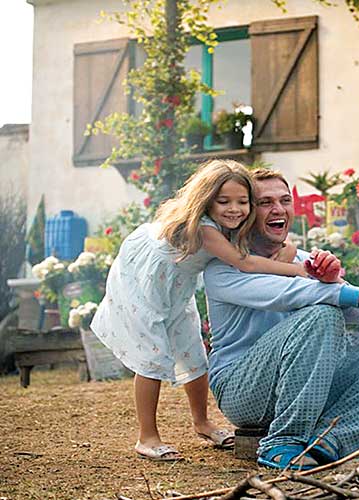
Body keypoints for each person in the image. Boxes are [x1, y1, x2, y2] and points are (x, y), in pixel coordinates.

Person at [92, 160, 335, 462]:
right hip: (148, 283)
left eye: (242, 202)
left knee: (193, 352)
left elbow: (261, 257)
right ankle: (147, 436)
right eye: (224, 202)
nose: (234, 209)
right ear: (206, 200)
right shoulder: (206, 228)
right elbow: (246, 263)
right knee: (151, 356)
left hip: (176, 286)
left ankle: (202, 423)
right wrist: (297, 269)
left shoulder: (230, 226)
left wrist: (287, 255)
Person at [202, 168, 359, 471]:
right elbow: (291, 294)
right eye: (265, 202)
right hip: (243, 390)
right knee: (320, 313)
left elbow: (357, 315)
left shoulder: (303, 259)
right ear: (245, 212)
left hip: (312, 384)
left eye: (285, 200)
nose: (278, 209)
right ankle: (283, 442)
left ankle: (331, 440)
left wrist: (335, 281)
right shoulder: (222, 269)